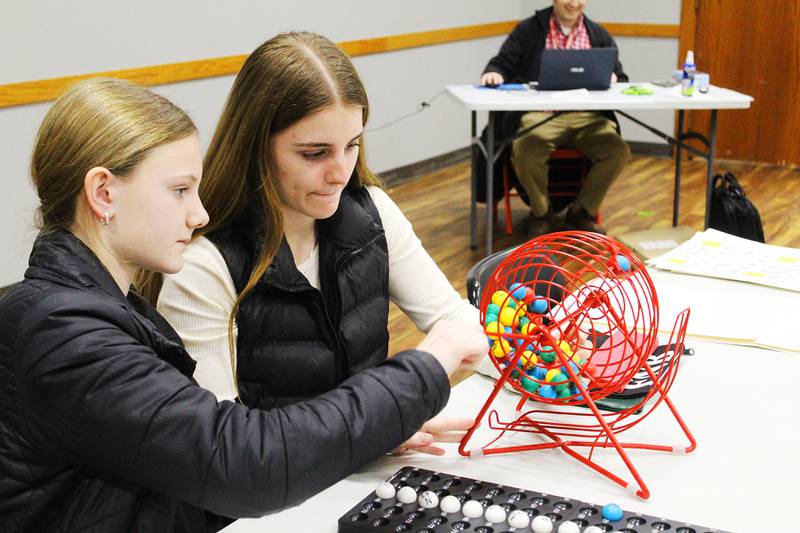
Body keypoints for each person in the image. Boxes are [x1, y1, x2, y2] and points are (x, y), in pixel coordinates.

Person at [0, 78, 487, 531]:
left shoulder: (97, 307)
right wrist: (424, 368)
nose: (200, 212)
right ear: (103, 193)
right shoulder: (63, 332)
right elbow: (240, 464)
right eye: (179, 191)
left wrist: (369, 429)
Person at [146, 31, 482, 456]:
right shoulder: (202, 266)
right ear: (256, 147)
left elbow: (453, 320)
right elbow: (225, 450)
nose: (341, 172)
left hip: (361, 465)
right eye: (314, 153)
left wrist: (557, 367)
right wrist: (374, 424)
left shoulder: (372, 210)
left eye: (352, 145)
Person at [480, 0, 631, 237]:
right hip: (541, 115)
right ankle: (541, 213)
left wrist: (614, 78)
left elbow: (620, 77)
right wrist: (494, 73)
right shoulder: (529, 30)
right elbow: (502, 62)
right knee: (526, 147)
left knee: (617, 151)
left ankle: (581, 212)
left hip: (588, 118)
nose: (574, 3)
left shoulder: (598, 34)